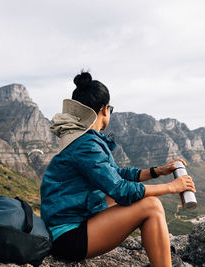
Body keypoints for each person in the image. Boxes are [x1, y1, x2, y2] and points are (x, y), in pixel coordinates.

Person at [40, 71, 196, 267]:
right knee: (151, 206)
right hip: (67, 238)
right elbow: (121, 189)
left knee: (134, 199)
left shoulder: (83, 139)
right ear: (104, 109)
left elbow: (115, 175)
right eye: (110, 108)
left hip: (70, 225)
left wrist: (157, 171)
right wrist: (172, 187)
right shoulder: (85, 145)